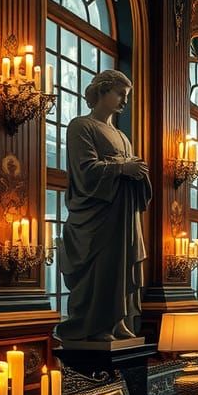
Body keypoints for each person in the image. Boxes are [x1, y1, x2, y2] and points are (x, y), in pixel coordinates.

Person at [56, 69, 151, 342]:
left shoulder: (122, 136)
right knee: (102, 267)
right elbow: (85, 170)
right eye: (120, 94)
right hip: (97, 217)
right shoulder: (80, 126)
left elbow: (128, 171)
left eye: (127, 96)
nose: (124, 100)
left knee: (120, 266)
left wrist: (137, 172)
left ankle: (117, 320)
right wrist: (123, 168)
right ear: (102, 91)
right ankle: (94, 325)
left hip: (122, 215)